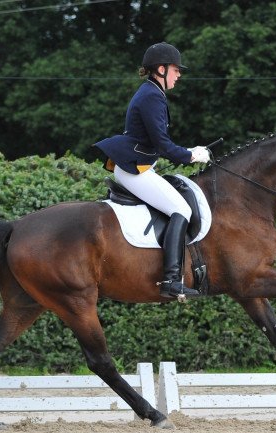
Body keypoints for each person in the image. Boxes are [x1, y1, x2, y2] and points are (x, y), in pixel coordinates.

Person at [94, 42, 210, 299]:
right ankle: (171, 280)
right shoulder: (151, 96)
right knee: (182, 209)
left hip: (139, 165)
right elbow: (163, 144)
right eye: (176, 70)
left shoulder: (152, 93)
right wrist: (191, 155)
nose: (179, 75)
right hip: (135, 170)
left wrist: (189, 151)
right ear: (161, 69)